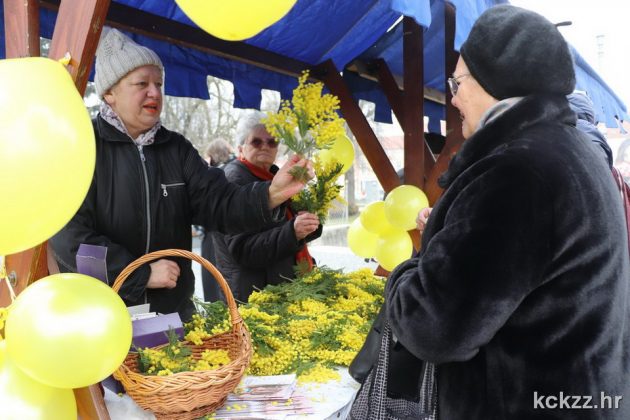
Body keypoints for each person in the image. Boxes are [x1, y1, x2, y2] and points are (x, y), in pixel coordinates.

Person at [369, 5, 630, 419]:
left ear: (496, 81)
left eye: (458, 82)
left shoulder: (515, 172)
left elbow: (435, 327)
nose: (452, 96)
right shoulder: (570, 149)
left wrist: (406, 272)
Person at [49, 28, 311, 321]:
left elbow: (220, 205)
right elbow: (70, 239)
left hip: (167, 314)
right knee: (111, 368)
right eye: (142, 83)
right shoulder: (82, 147)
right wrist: (140, 273)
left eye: (159, 83)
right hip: (99, 316)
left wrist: (272, 193)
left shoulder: (176, 149)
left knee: (168, 367)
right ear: (110, 93)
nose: (155, 92)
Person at [211, 111, 322, 302]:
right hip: (253, 295)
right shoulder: (232, 181)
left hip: (281, 285)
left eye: (272, 142)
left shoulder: (275, 175)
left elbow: (291, 225)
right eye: (256, 141)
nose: (265, 146)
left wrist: (310, 223)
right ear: (241, 146)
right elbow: (243, 250)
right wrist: (292, 232)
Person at [197, 138, 236, 301]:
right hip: (234, 238)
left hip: (214, 238)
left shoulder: (212, 176)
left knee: (214, 287)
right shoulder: (237, 169)